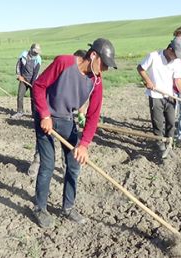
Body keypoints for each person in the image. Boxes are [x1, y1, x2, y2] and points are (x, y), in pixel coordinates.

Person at [31, 38, 117, 228]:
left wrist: (84, 144)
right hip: (46, 118)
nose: (105, 70)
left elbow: (93, 115)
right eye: (104, 64)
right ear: (93, 55)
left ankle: (68, 207)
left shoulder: (96, 81)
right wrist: (44, 114)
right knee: (48, 164)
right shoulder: (64, 62)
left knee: (74, 164)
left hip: (67, 120)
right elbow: (38, 86)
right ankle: (40, 208)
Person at [27, 49, 88, 177]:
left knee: (69, 144)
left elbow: (81, 99)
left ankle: (67, 167)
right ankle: (37, 162)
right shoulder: (62, 70)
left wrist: (81, 114)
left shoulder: (82, 77)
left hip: (66, 117)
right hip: (49, 113)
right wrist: (45, 115)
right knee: (44, 146)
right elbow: (41, 89)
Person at [137, 37, 181, 159]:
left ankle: (169, 145)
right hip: (155, 96)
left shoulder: (176, 61)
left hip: (170, 96)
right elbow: (140, 68)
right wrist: (148, 81)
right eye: (175, 55)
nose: (177, 58)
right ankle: (160, 146)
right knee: (158, 123)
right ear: (170, 49)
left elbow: (178, 81)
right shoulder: (153, 56)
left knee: (171, 122)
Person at [11, 43, 42, 119]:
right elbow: (18, 65)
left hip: (33, 79)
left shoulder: (38, 59)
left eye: (37, 53)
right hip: (23, 79)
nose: (36, 54)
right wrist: (19, 75)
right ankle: (20, 112)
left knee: (33, 97)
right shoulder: (23, 55)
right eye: (35, 52)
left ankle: (34, 114)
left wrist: (33, 83)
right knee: (20, 96)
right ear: (31, 49)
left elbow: (36, 72)